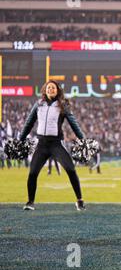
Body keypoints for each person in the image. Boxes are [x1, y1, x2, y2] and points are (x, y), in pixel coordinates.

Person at [19, 80, 86, 211]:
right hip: (42, 145)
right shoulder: (38, 104)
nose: (51, 89)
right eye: (49, 87)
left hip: (56, 144)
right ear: (45, 89)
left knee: (71, 170)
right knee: (32, 173)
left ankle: (79, 200)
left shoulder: (63, 105)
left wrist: (82, 139)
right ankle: (30, 202)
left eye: (53, 88)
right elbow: (29, 123)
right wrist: (20, 139)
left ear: (57, 90)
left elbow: (73, 123)